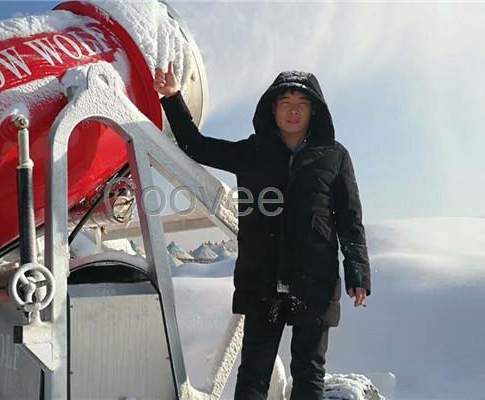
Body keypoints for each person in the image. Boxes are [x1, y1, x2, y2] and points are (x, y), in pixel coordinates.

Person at [154, 62, 371, 400]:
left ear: (314, 110)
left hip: (314, 279)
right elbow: (196, 145)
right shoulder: (251, 151)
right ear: (273, 108)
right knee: (255, 370)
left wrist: (357, 269)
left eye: (302, 103)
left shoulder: (334, 157)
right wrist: (172, 98)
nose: (293, 110)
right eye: (285, 102)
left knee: (308, 369)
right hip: (262, 279)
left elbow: (349, 219)